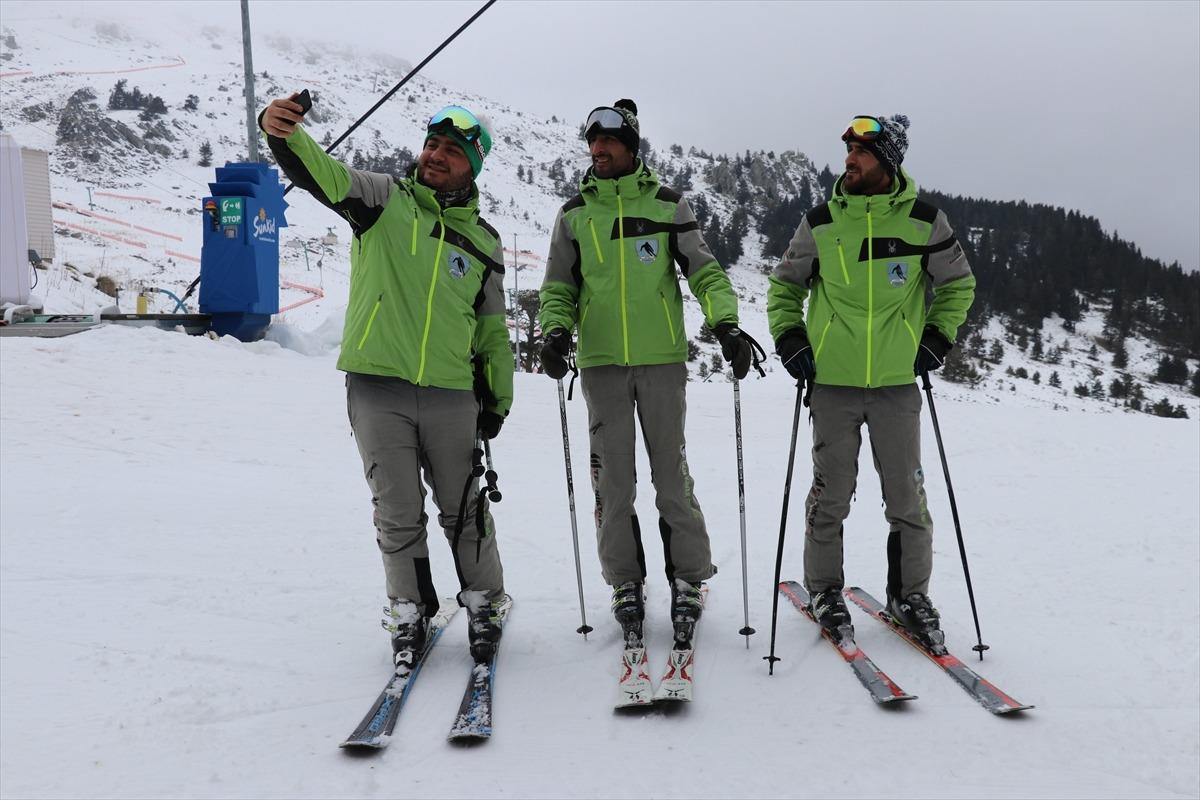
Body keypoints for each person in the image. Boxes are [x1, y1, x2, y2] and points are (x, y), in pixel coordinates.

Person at [259, 94, 513, 666]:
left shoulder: (485, 242)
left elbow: (492, 329)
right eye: (432, 144)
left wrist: (497, 395)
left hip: (452, 394)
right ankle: (409, 609)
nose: (436, 155)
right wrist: (282, 135)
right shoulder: (384, 200)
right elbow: (322, 174)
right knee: (397, 510)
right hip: (378, 387)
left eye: (452, 150)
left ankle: (485, 602)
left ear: (475, 164)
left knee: (465, 509)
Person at [537, 99, 756, 648]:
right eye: (592, 143)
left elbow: (705, 272)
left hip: (661, 363)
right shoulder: (574, 214)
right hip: (601, 364)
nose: (598, 150)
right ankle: (624, 582)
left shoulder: (667, 206)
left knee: (669, 476)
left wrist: (726, 325)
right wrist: (556, 331)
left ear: (631, 147)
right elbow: (559, 286)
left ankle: (688, 578)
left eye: (609, 142)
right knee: (611, 482)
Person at [767, 114, 976, 647]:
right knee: (830, 494)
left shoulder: (925, 222)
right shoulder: (820, 222)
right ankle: (824, 591)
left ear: (887, 161)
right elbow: (784, 288)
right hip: (832, 384)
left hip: (895, 384)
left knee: (907, 497)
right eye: (848, 152)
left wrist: (936, 339)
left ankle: (910, 595)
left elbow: (958, 285)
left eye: (861, 153)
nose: (850, 161)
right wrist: (790, 339)